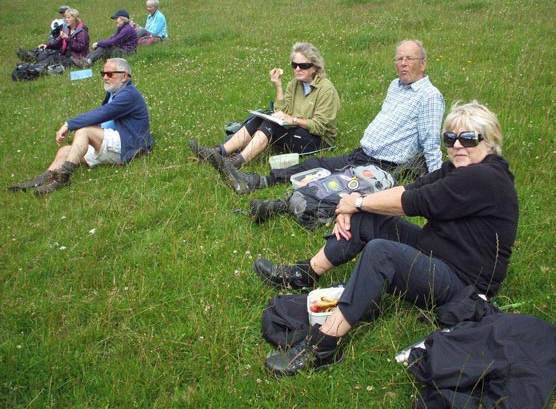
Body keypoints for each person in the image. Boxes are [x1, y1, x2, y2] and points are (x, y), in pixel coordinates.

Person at [257, 101, 520, 375]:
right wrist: (355, 205)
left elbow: (415, 201)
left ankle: (324, 345)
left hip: (463, 284)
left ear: (489, 141)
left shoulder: (484, 177)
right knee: (369, 217)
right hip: (437, 254)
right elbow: (411, 186)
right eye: (450, 138)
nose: (456, 145)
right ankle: (305, 273)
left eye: (467, 138)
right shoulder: (458, 168)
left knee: (381, 252)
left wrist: (356, 202)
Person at [203, 40, 444, 195]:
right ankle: (253, 177)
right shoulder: (396, 86)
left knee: (329, 180)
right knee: (314, 164)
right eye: (398, 58)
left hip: (382, 163)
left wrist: (438, 186)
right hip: (363, 152)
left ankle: (247, 174)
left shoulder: (429, 97)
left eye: (408, 59)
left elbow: (431, 145)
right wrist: (277, 87)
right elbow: (281, 108)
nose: (402, 63)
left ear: (423, 64)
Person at [8, 58, 153, 195]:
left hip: (128, 145)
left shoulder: (129, 94)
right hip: (113, 142)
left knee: (84, 131)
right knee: (65, 150)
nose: (105, 77)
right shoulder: (114, 92)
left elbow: (103, 113)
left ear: (124, 77)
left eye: (110, 74)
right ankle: (43, 179)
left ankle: (63, 178)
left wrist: (68, 124)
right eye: (103, 73)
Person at [189, 42, 340, 169]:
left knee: (270, 124)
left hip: (318, 140)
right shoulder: (295, 83)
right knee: (263, 117)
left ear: (314, 67)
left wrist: (292, 119)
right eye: (294, 65)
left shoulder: (326, 89)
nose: (297, 69)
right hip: (296, 130)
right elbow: (281, 111)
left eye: (303, 65)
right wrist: (279, 86)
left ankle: (236, 162)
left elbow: (320, 127)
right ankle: (218, 151)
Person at [23, 8, 89, 69]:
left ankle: (34, 68)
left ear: (74, 19)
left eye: (68, 18)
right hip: (66, 55)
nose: (66, 19)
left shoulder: (82, 32)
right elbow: (57, 41)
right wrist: (47, 45)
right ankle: (31, 66)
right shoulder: (66, 29)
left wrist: (68, 39)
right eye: (65, 18)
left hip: (77, 59)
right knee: (50, 58)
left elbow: (80, 48)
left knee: (53, 61)